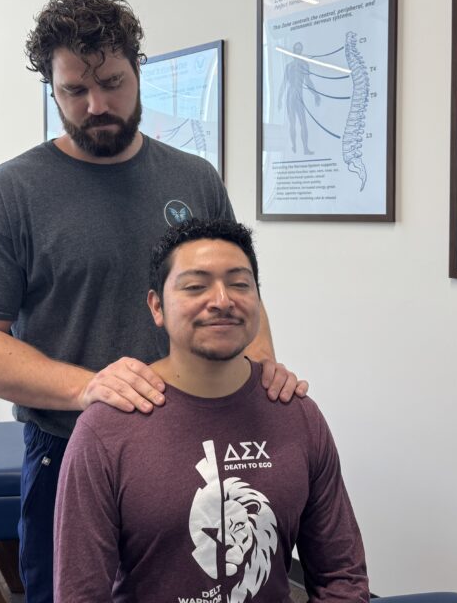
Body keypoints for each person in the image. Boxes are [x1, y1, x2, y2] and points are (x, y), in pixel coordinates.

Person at [0, 0, 306, 603]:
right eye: (74, 92)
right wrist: (88, 388)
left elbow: (240, 293)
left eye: (112, 82)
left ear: (139, 71)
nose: (97, 105)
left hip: (198, 446)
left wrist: (264, 377)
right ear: (51, 90)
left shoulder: (194, 179)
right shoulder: (10, 193)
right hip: (72, 450)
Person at [54, 218, 369, 603]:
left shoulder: (295, 413)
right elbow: (79, 595)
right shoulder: (107, 430)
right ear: (157, 306)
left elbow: (343, 576)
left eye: (239, 284)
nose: (222, 301)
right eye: (195, 286)